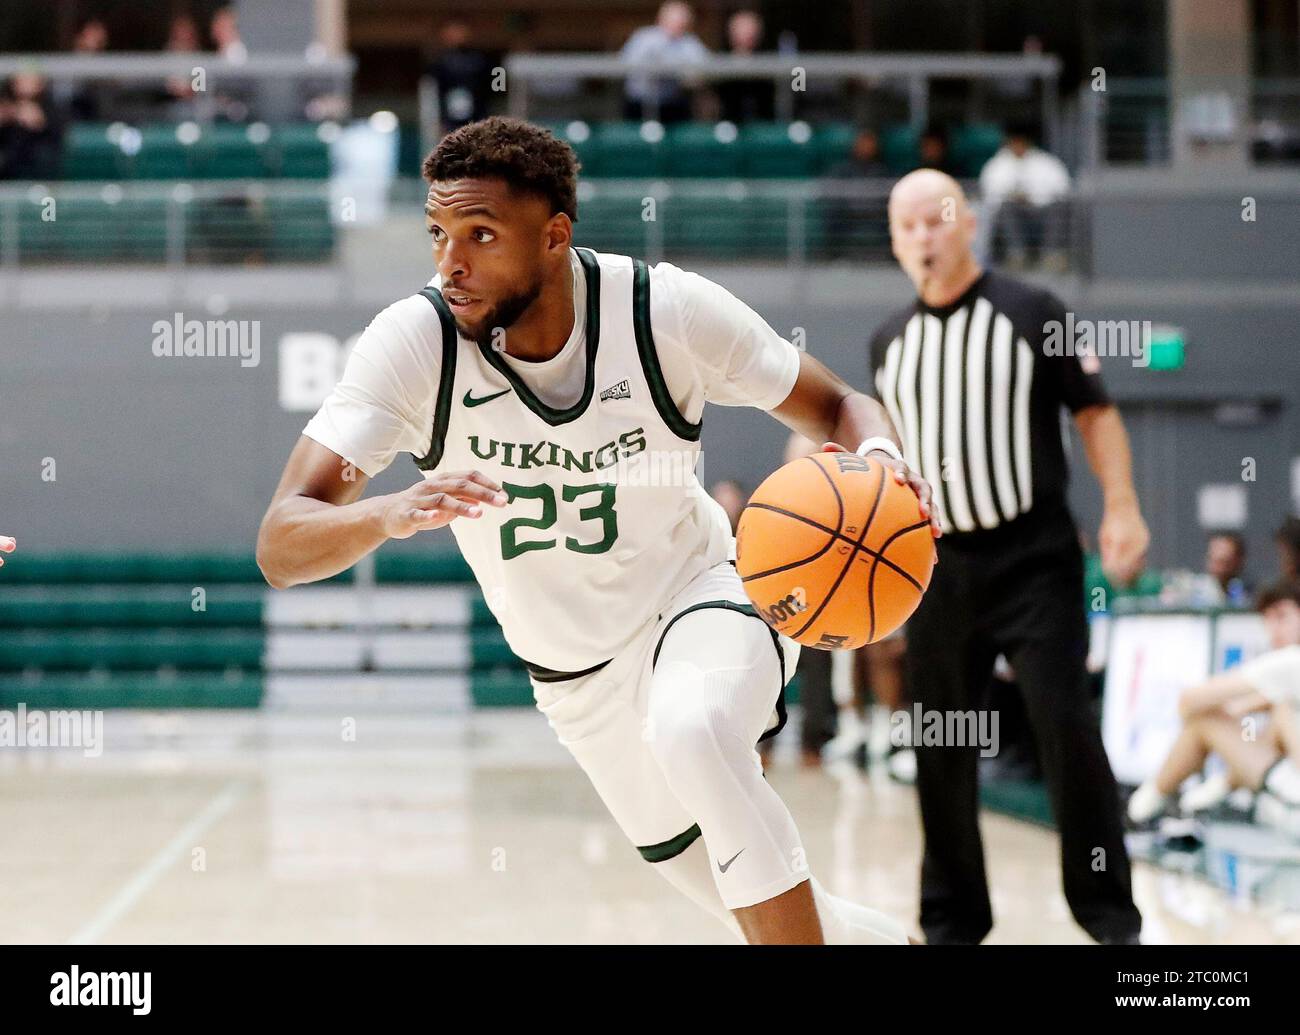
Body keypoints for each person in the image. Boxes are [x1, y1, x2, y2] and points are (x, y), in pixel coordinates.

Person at [257, 116, 940, 945]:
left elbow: (834, 401)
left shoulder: (664, 311)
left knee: (692, 729)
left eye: (479, 234)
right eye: (437, 234)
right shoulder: (413, 344)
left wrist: (880, 456)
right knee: (763, 900)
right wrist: (389, 512)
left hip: (703, 596)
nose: (451, 263)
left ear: (553, 237)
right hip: (576, 679)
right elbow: (283, 544)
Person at [866, 168, 1149, 945]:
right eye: (908, 226)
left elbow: (1096, 414)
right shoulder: (888, 341)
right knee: (943, 741)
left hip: (1034, 557)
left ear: (967, 224)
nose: (923, 235)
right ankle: (953, 921)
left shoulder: (1034, 312)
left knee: (1065, 726)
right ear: (894, 241)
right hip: (937, 567)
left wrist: (1121, 505)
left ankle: (1108, 916)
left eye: (936, 219)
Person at [1126, 578, 1300, 823]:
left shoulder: (1290, 660)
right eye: (1268, 619)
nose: (1274, 628)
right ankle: (1212, 790)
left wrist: (1222, 720)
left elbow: (1189, 701)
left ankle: (1141, 808)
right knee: (1278, 709)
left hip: (1291, 797)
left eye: (1282, 616)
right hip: (1283, 786)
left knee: (1204, 720)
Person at [978, 125, 1072, 271]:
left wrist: (1034, 197)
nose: (1018, 145)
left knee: (1058, 207)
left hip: (1042, 211)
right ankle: (1017, 255)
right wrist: (1015, 196)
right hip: (1014, 214)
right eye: (1014, 141)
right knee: (1006, 207)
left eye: (1021, 141)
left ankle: (1052, 256)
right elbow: (989, 195)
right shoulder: (996, 164)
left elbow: (1063, 189)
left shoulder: (1046, 161)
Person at [619, 1, 709, 124]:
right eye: (673, 20)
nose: (677, 25)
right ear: (661, 19)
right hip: (639, 103)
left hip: (672, 104)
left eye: (682, 22)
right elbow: (624, 64)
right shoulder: (644, 37)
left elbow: (703, 70)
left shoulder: (690, 43)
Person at [426, 18, 494, 134]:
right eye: (452, 31)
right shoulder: (438, 63)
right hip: (449, 118)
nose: (457, 35)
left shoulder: (481, 60)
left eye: (460, 31)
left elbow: (496, 83)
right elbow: (432, 92)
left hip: (478, 115)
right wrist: (438, 120)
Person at [0, 73, 63, 181]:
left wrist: (40, 122)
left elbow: (59, 139)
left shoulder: (51, 107)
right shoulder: (5, 103)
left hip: (41, 174)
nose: (24, 80)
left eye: (29, 76)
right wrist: (11, 114)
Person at [714, 10, 773, 124]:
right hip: (728, 125)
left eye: (751, 30)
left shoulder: (768, 61)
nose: (748, 34)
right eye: (742, 29)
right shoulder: (720, 61)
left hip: (762, 125)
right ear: (731, 33)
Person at [1203, 531, 1251, 606]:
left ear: (1239, 560)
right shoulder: (1194, 591)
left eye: (1225, 561)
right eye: (1215, 560)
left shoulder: (1253, 592)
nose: (1219, 567)